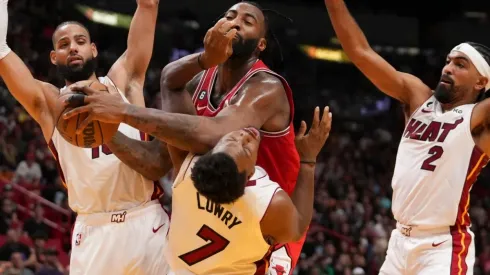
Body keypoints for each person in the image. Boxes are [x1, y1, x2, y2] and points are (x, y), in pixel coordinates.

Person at [0, 0, 170, 274]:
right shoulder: (49, 102)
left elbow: (148, 6)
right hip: (94, 232)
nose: (73, 47)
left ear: (93, 49)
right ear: (54, 57)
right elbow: (0, 53)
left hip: (146, 222)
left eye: (80, 41)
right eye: (64, 44)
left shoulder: (122, 81)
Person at [324, 0, 490, 274]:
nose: (447, 68)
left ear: (481, 82)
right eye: (448, 61)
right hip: (399, 242)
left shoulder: (479, 119)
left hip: (443, 246)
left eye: (460, 65)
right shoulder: (417, 96)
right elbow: (360, 52)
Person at [165, 107, 331, 274]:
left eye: (233, 139)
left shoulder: (188, 168)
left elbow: (173, 114)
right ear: (251, 174)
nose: (244, 136)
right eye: (245, 148)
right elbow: (298, 227)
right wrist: (308, 161)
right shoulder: (267, 202)